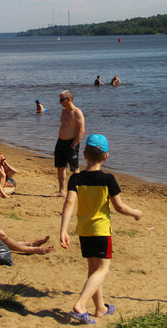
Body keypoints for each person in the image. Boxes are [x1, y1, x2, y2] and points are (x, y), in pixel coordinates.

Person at [59, 134, 142, 324]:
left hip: (85, 231)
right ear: (105, 157)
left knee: (93, 270)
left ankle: (100, 308)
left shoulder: (76, 178)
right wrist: (136, 213)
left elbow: (69, 203)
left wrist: (63, 229)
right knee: (102, 271)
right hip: (101, 231)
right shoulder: (108, 179)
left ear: (85, 155)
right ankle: (81, 304)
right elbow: (119, 207)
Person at [54, 90, 85, 197]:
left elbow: (81, 130)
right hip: (60, 142)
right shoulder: (64, 110)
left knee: (74, 168)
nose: (60, 102)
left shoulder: (77, 112)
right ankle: (62, 191)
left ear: (69, 99)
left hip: (71, 143)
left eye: (62, 100)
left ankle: (81, 190)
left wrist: (74, 144)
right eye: (59, 100)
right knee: (60, 167)